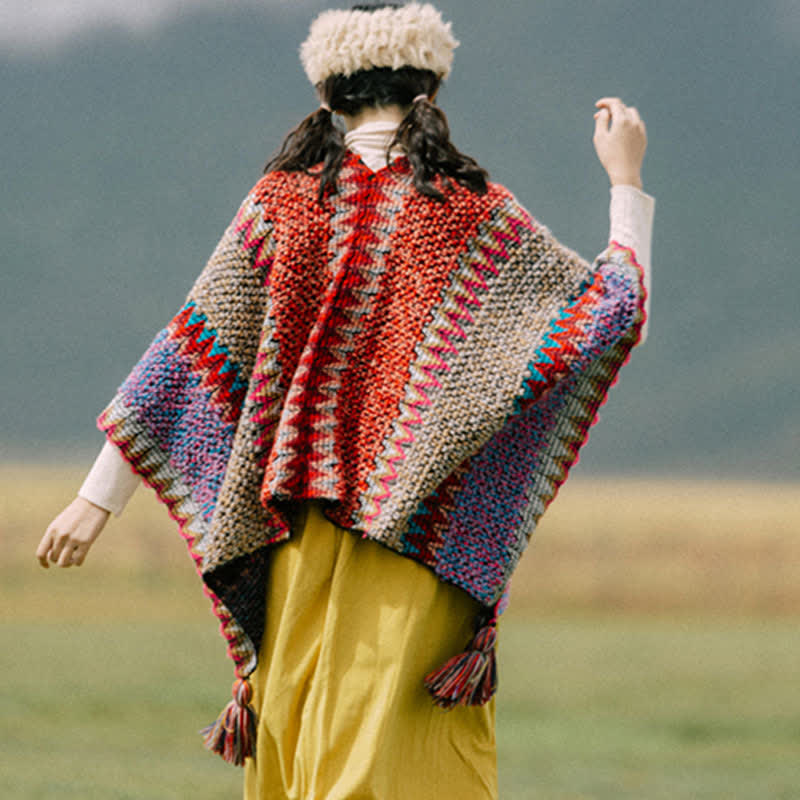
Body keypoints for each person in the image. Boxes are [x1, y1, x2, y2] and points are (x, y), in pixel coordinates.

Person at [36, 3, 654, 798]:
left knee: (298, 753)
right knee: (400, 768)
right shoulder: (471, 216)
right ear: (429, 92)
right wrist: (626, 181)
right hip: (419, 544)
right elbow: (605, 315)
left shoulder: (281, 206)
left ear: (326, 99)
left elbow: (189, 353)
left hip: (293, 536)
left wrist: (97, 499)